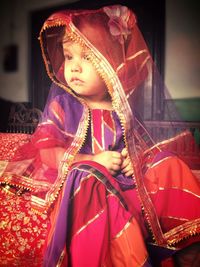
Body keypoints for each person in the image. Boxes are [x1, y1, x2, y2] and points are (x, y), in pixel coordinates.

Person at [0, 4, 200, 267]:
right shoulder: (65, 107)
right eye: (69, 57)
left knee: (168, 161)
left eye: (87, 58)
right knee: (87, 175)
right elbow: (47, 153)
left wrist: (135, 159)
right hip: (84, 182)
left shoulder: (123, 110)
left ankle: (187, 251)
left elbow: (140, 147)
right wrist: (93, 160)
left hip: (124, 185)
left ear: (111, 64)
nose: (74, 68)